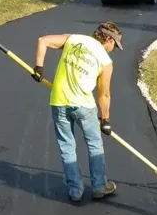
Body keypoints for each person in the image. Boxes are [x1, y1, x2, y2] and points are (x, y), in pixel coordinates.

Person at [32, 22, 123, 202]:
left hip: (59, 102)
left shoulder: (75, 40)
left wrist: (39, 68)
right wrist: (105, 119)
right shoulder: (106, 61)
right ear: (109, 39)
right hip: (84, 106)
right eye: (115, 44)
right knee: (94, 144)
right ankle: (99, 186)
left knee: (67, 146)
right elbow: (104, 94)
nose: (114, 48)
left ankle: (75, 190)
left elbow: (43, 41)